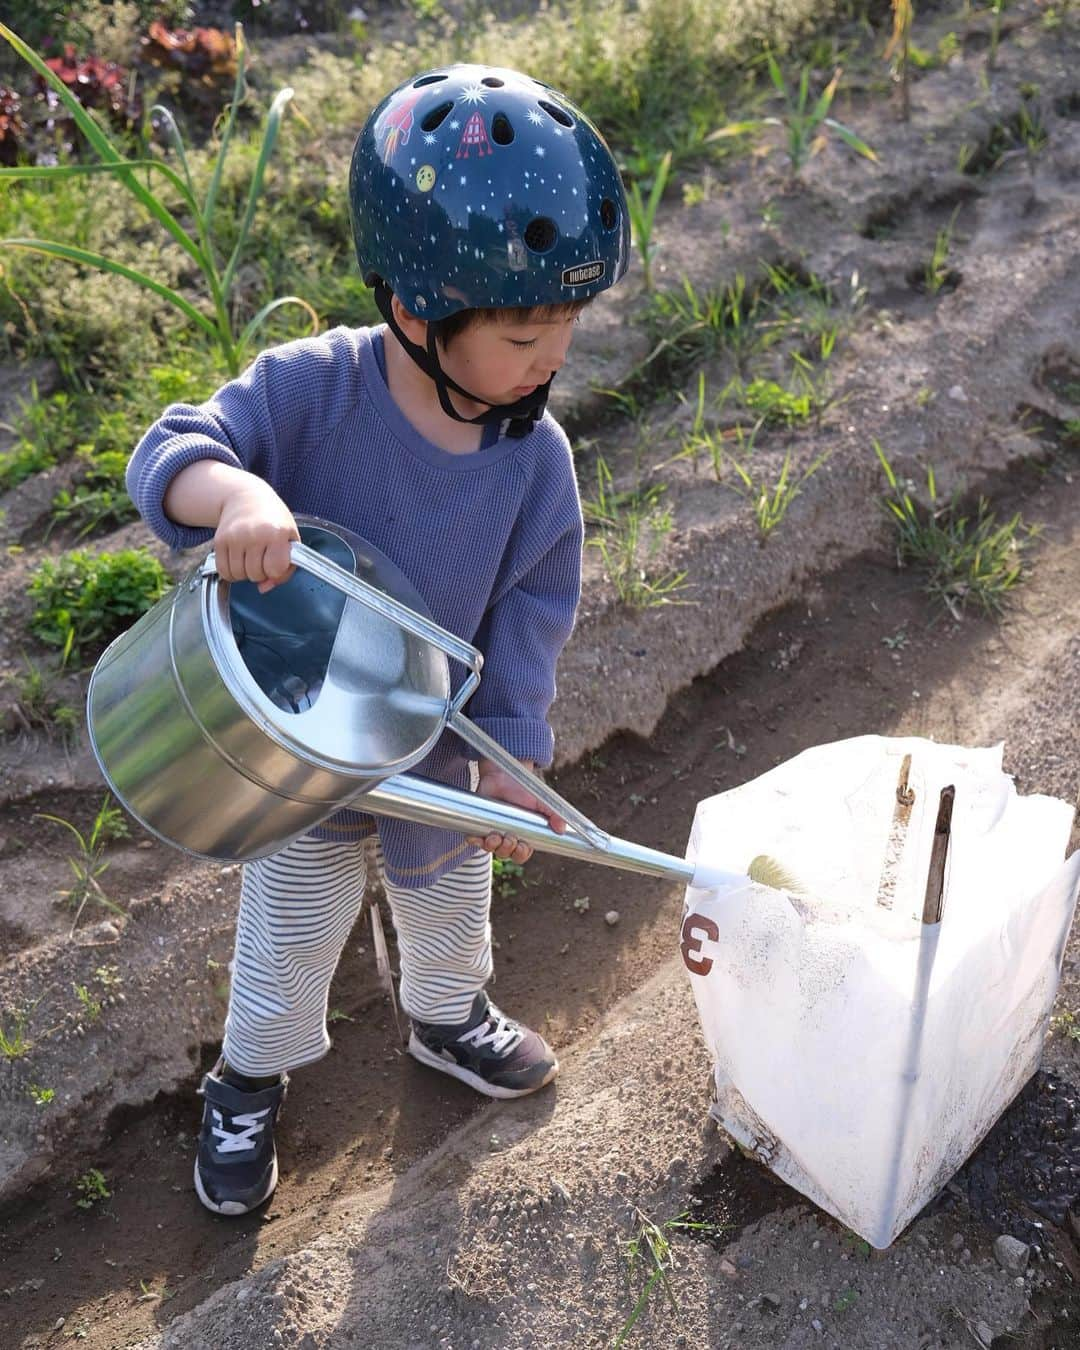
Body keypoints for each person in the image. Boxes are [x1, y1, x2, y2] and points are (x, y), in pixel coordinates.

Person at [126, 63, 629, 1216]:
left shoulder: (534, 461)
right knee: (287, 950)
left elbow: (533, 605)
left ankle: (447, 1020)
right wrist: (237, 500)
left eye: (565, 328)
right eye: (521, 333)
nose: (549, 360)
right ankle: (247, 1081)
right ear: (416, 308)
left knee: (453, 919)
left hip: (435, 758)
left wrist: (508, 755)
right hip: (294, 757)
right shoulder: (311, 393)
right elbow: (172, 448)